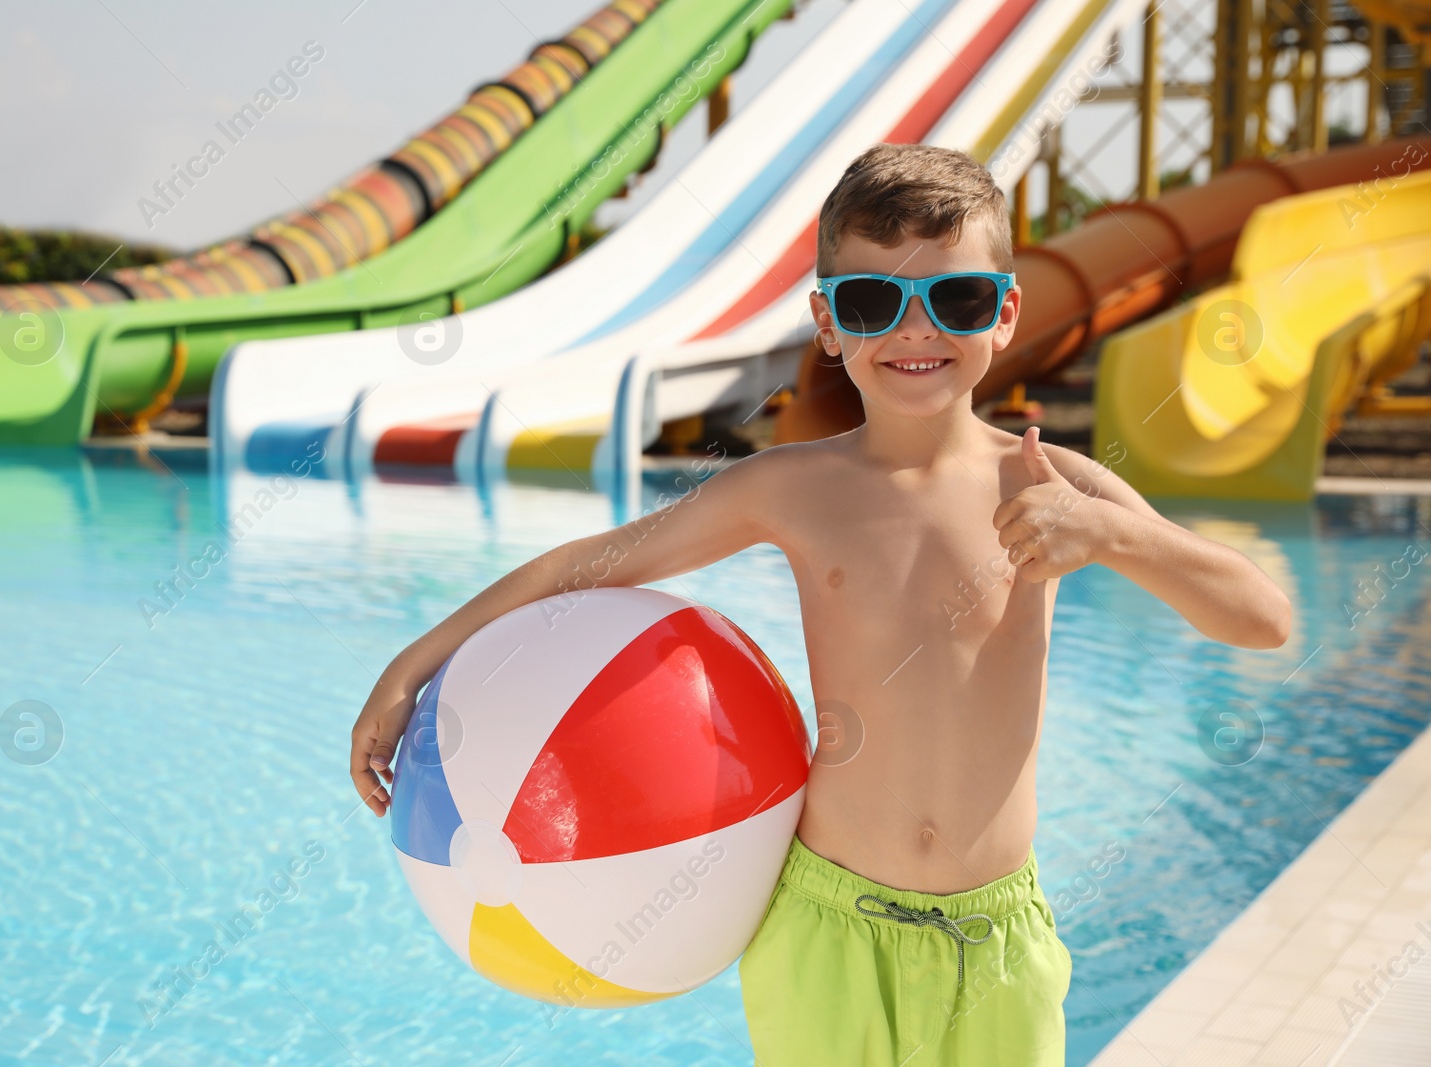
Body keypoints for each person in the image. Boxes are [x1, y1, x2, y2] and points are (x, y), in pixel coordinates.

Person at [347, 142, 1292, 1065]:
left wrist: (1120, 535)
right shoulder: (792, 487)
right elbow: (593, 566)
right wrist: (410, 667)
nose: (915, 331)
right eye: (875, 300)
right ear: (829, 322)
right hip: (827, 928)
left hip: (993, 938)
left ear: (1004, 313)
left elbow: (1261, 618)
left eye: (954, 298)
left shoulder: (1053, 485)